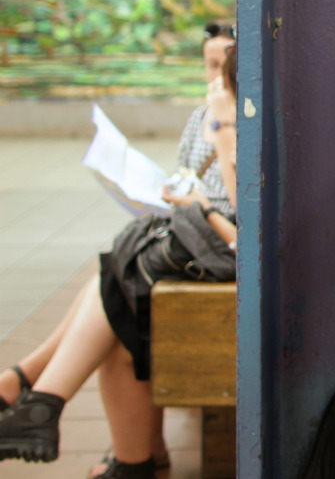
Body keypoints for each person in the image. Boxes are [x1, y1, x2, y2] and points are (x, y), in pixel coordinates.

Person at [0, 32, 238, 479]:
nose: (213, 85)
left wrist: (223, 139)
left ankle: (36, 393)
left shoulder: (240, 125)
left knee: (118, 286)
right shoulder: (217, 119)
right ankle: (43, 400)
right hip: (207, 247)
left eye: (221, 76)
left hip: (225, 262)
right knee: (118, 291)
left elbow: (242, 230)